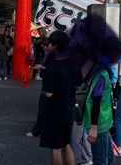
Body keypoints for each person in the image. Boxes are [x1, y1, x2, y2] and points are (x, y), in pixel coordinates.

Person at [40, 31, 79, 165]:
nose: (47, 46)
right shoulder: (73, 63)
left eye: (49, 43)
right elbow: (79, 81)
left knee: (55, 148)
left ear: (54, 45)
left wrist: (44, 92)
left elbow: (49, 93)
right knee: (66, 145)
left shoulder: (52, 67)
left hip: (55, 111)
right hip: (69, 109)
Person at [84, 37, 121, 165]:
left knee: (109, 158)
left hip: (104, 123)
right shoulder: (103, 73)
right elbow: (96, 99)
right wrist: (94, 127)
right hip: (98, 125)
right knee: (101, 161)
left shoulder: (104, 68)